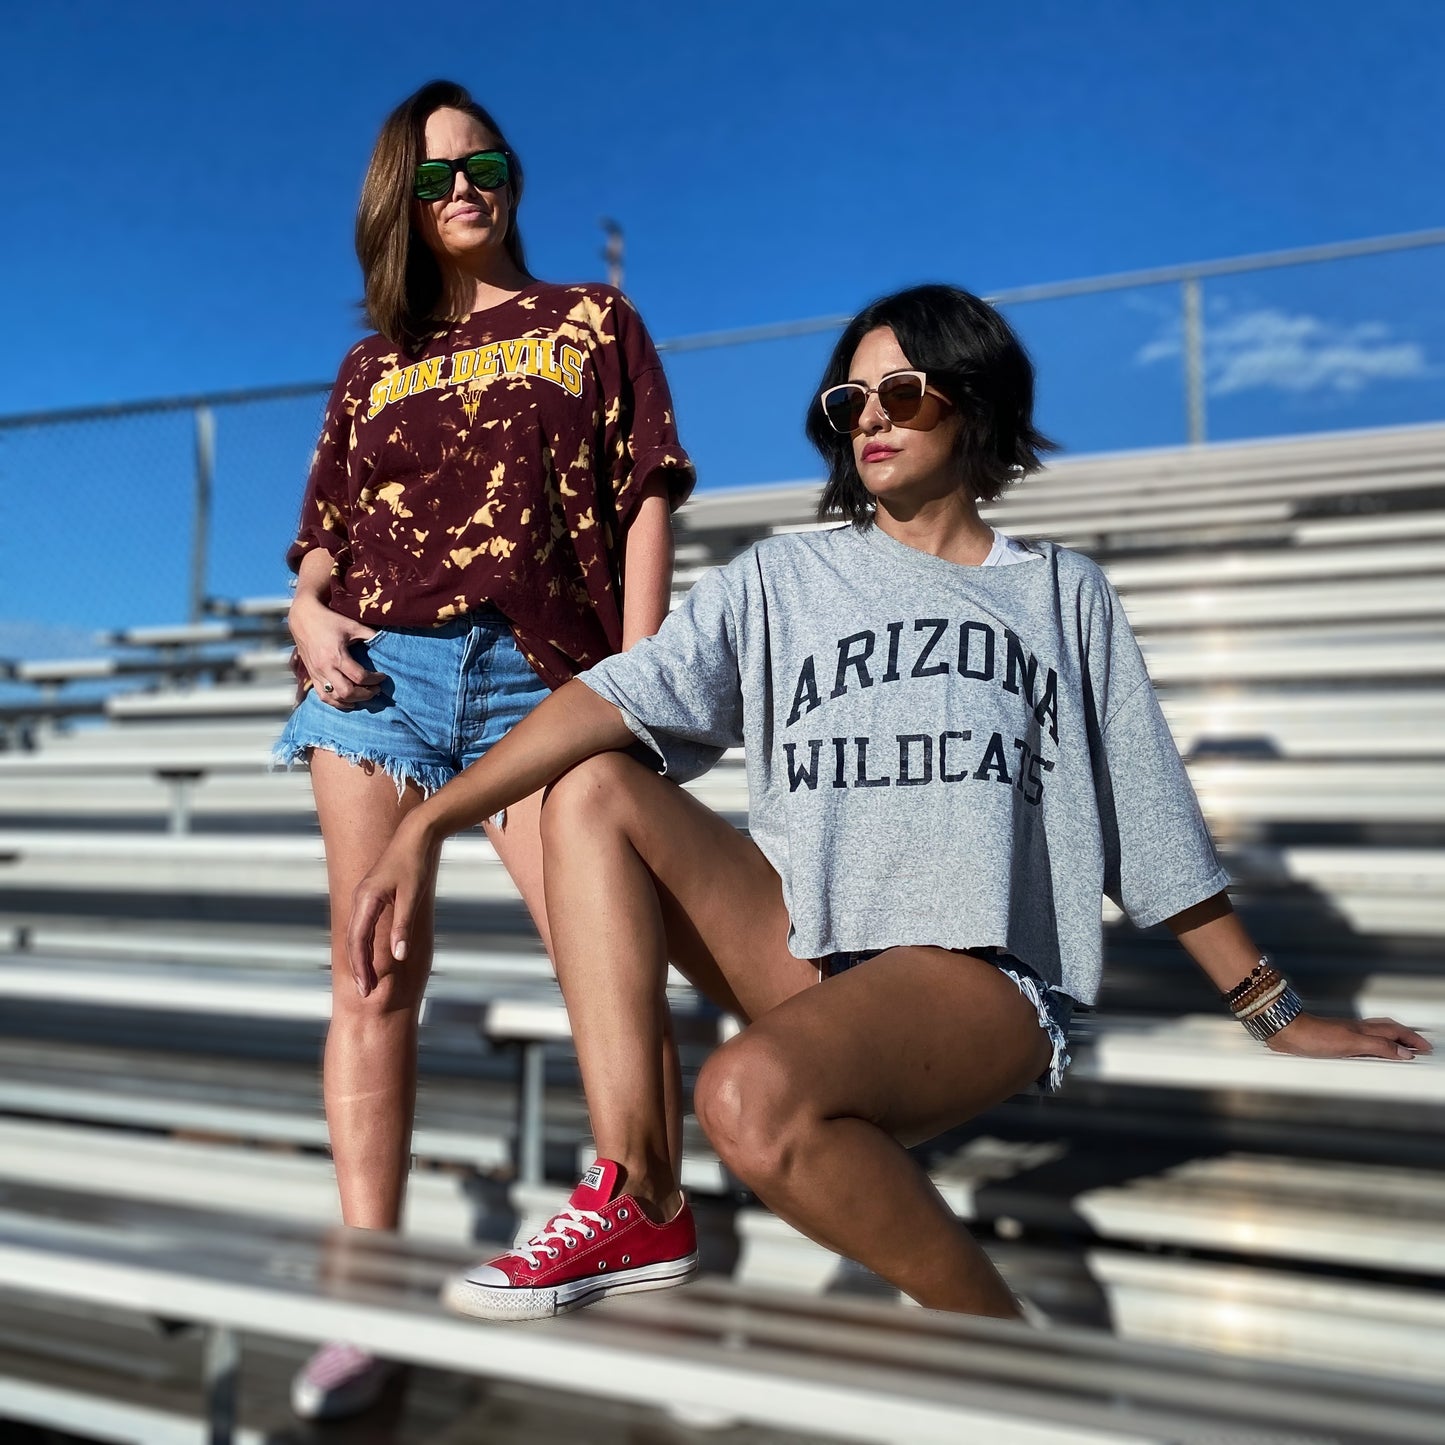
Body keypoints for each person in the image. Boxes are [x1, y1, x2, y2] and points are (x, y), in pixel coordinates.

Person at [345, 284, 1430, 1327]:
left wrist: (1278, 1016)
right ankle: (639, 1193)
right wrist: (426, 825)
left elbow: (1146, 827)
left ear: (972, 400)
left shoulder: (1058, 594)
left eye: (901, 393)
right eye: (847, 402)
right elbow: (605, 695)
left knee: (749, 1096)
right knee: (588, 784)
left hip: (974, 977)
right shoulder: (781, 581)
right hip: (808, 947)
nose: (869, 419)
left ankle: (1004, 1359)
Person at [274, 79, 693, 1417]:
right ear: (399, 200)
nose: (468, 187)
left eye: (488, 163)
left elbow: (642, 497)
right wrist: (303, 604)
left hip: (539, 678)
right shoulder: (370, 364)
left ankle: (641, 1235)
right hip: (380, 676)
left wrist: (633, 681)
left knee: (601, 961)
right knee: (372, 969)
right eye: (439, 173)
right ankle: (365, 1292)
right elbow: (325, 529)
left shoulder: (592, 322)